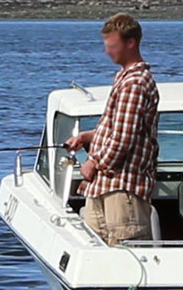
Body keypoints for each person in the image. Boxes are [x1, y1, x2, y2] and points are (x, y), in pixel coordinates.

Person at [63, 13, 160, 246]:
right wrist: (87, 137)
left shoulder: (134, 83)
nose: (107, 51)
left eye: (112, 45)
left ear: (131, 42)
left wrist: (92, 163)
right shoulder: (123, 79)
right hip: (103, 188)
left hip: (123, 190)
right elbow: (117, 129)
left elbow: (122, 140)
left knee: (125, 254)